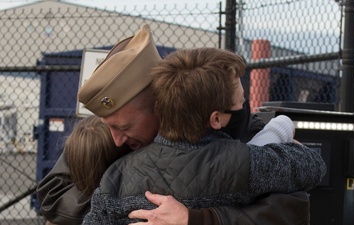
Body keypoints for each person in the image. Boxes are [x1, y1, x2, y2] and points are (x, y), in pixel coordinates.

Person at [36, 24, 315, 225]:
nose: (116, 140)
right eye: (110, 125)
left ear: (160, 104)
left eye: (125, 127)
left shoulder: (238, 130)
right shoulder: (109, 132)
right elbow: (53, 194)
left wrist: (199, 217)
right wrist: (131, 208)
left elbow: (290, 208)